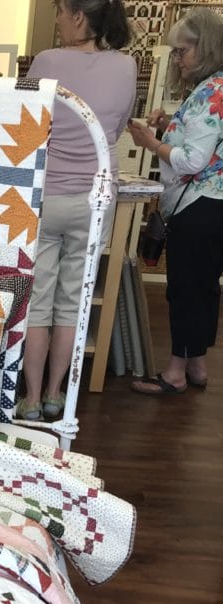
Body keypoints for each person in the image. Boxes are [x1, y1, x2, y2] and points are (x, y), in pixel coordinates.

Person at [18, 0, 136, 420]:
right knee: (75, 302)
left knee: (38, 303)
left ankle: (29, 399)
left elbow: (26, 123)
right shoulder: (126, 67)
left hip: (46, 198)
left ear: (78, 16)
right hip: (95, 199)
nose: (57, 20)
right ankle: (55, 395)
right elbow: (116, 129)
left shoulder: (46, 61)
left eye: (60, 12)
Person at [127, 9, 223, 395]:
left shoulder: (210, 94)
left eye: (182, 51)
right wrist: (170, 127)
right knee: (203, 287)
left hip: (197, 206)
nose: (178, 60)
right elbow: (200, 145)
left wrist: (153, 143)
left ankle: (175, 373)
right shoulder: (214, 88)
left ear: (205, 48)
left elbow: (191, 160)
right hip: (213, 204)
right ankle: (196, 365)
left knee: (185, 287)